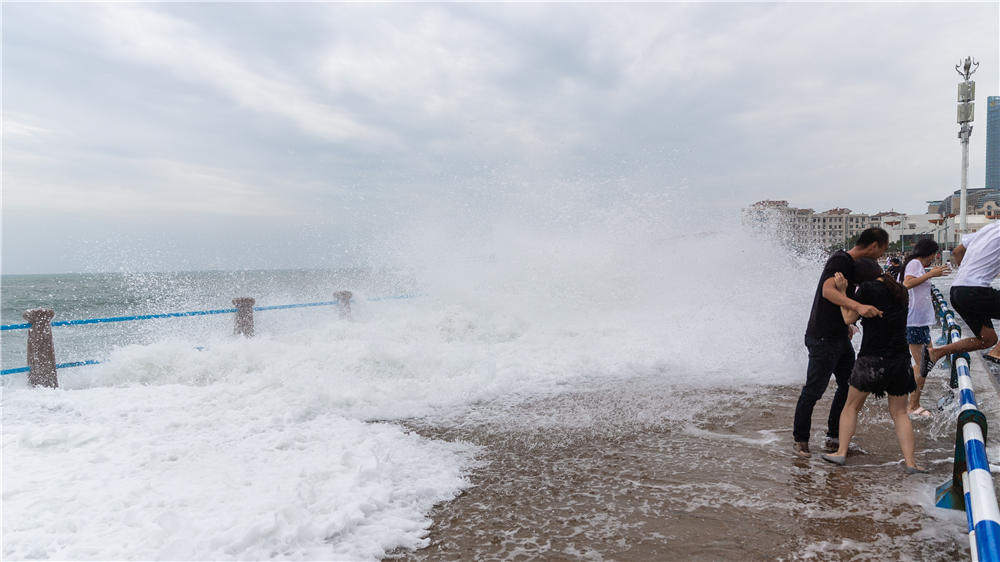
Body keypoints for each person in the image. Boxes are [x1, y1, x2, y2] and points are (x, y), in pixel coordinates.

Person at [820, 259, 928, 473]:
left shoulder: (867, 288)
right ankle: (911, 463)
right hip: (899, 360)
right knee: (899, 413)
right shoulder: (900, 289)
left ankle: (841, 453)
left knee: (851, 407)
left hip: (871, 359)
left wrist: (843, 293)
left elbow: (848, 318)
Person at [793, 227, 889, 458]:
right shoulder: (841, 260)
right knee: (814, 389)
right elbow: (827, 292)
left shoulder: (852, 265)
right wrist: (858, 307)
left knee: (848, 385)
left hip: (838, 335)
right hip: (822, 336)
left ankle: (834, 436)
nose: (881, 256)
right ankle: (801, 439)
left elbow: (838, 298)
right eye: (882, 251)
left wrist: (847, 323)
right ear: (874, 245)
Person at [922, 221, 1000, 376]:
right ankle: (997, 352)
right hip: (974, 291)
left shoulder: (989, 228)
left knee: (988, 339)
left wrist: (968, 272)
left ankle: (936, 353)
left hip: (957, 291)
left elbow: (957, 251)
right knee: (992, 344)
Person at [897, 239, 950, 417]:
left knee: (927, 361)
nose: (934, 259)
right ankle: (913, 405)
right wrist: (931, 274)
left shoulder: (916, 264)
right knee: (923, 365)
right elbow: (908, 283)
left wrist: (930, 274)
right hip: (914, 322)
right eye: (934, 255)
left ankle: (905, 389)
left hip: (920, 322)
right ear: (929, 253)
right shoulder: (914, 263)